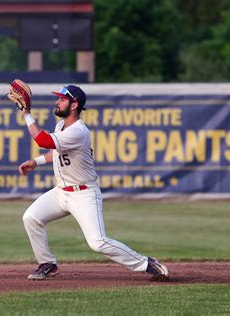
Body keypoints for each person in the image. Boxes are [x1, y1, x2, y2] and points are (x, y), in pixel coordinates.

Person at [17, 84, 169, 281]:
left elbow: (43, 140)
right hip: (61, 192)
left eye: (62, 99)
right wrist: (36, 162)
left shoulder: (79, 131)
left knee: (98, 242)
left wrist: (27, 113)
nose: (57, 101)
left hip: (84, 194)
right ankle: (48, 263)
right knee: (31, 218)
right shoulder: (61, 126)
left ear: (74, 105)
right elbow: (56, 150)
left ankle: (146, 263)